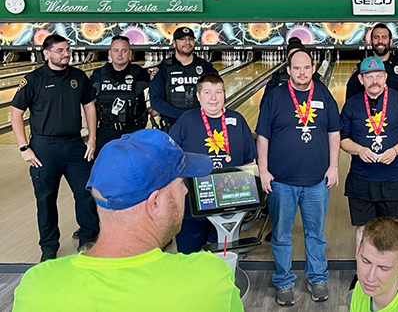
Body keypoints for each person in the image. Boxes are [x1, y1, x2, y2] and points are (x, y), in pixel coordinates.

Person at [12, 129, 244, 312]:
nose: (185, 191)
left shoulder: (37, 287)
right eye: (180, 183)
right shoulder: (210, 278)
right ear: (155, 204)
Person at [256, 49, 341, 306]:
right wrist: (263, 170)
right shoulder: (275, 96)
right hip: (281, 181)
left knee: (315, 234)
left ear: (313, 68)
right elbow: (263, 136)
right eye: (297, 68)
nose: (302, 72)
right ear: (289, 70)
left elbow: (334, 133)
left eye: (306, 68)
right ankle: (283, 281)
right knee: (281, 235)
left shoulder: (324, 94)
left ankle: (317, 278)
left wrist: (334, 166)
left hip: (317, 181)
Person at [10, 34, 99, 262]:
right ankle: (49, 247)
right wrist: (23, 148)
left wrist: (91, 139)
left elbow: (89, 107)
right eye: (60, 50)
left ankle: (89, 238)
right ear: (46, 53)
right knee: (46, 198)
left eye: (68, 49)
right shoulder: (33, 79)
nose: (66, 54)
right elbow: (16, 114)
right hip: (43, 148)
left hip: (74, 145)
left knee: (85, 194)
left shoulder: (78, 77)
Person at [346, 24, 398, 245]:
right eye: (369, 76)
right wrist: (359, 149)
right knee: (362, 228)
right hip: (361, 177)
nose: (374, 80)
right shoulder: (352, 104)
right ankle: (362, 271)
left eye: (378, 75)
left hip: (392, 176)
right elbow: (340, 137)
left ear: (385, 77)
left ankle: (388, 273)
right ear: (361, 80)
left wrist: (395, 150)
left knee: (390, 227)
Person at [169, 73, 257, 254]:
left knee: (224, 255)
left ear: (224, 94)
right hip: (193, 204)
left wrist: (250, 199)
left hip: (229, 204)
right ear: (198, 96)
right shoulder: (186, 120)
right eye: (208, 92)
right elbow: (171, 160)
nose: (213, 98)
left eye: (218, 92)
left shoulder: (237, 120)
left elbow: (250, 162)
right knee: (189, 256)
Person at [149, 26, 218, 132]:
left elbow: (218, 95)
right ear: (174, 43)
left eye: (190, 39)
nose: (187, 42)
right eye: (182, 39)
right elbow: (156, 101)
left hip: (202, 125)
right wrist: (185, 116)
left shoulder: (206, 68)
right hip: (172, 127)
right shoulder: (162, 69)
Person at [91, 35, 150, 153]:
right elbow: (87, 100)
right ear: (110, 53)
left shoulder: (141, 74)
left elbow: (154, 95)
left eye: (124, 50)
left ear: (130, 53)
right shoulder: (98, 74)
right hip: (105, 130)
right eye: (116, 50)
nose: (120, 54)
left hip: (133, 130)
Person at [260, 36, 324, 106]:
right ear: (287, 58)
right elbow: (265, 105)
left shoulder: (315, 79)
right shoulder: (277, 78)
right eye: (292, 55)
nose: (296, 58)